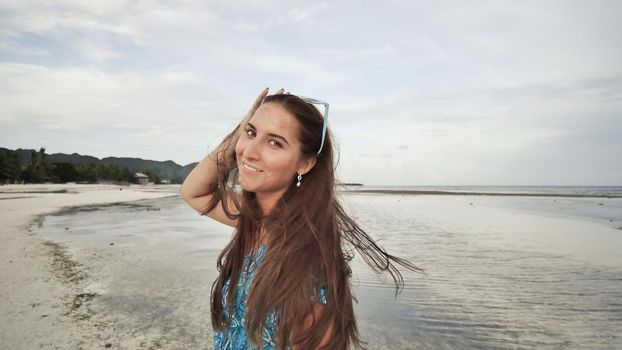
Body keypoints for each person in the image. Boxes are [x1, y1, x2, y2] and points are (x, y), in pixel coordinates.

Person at [180, 87, 421, 349]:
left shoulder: (309, 270)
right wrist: (239, 133)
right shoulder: (254, 219)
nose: (249, 151)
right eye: (251, 133)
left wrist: (248, 132)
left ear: (305, 164)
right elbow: (193, 191)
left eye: (275, 142)